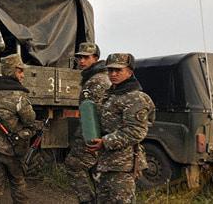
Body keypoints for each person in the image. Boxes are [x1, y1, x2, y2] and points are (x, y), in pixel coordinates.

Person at [87, 53, 155, 203]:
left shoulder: (135, 98)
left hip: (123, 166)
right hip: (105, 162)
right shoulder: (111, 94)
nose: (113, 74)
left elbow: (136, 131)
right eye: (110, 70)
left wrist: (105, 142)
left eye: (118, 70)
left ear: (130, 72)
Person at [0, 54, 36, 204]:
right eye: (20, 71)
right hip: (12, 148)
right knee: (18, 182)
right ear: (11, 71)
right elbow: (29, 119)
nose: (23, 75)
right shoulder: (19, 95)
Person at [65, 42, 111, 204]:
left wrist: (87, 139)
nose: (81, 61)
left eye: (86, 57)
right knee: (96, 170)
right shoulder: (97, 77)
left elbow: (91, 115)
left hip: (93, 135)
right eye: (79, 57)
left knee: (73, 164)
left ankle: (87, 200)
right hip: (101, 135)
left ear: (96, 58)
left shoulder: (96, 81)